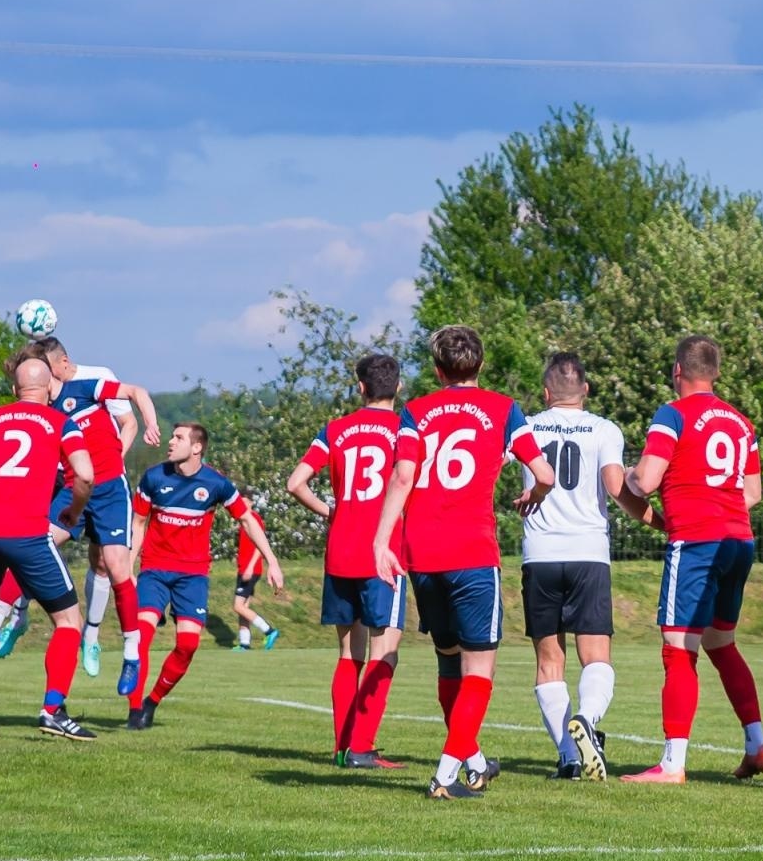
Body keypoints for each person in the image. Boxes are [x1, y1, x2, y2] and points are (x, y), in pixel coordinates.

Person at [374, 326, 556, 799]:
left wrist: (381, 539)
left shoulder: (415, 411)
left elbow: (403, 475)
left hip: (422, 551)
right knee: (479, 670)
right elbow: (545, 473)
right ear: (481, 364)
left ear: (438, 369)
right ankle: (445, 776)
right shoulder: (503, 409)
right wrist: (533, 493)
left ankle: (473, 761)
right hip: (472, 552)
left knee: (449, 661)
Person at [621, 335, 763, 784]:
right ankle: (756, 744)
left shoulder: (673, 413)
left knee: (678, 647)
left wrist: (628, 473)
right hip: (739, 542)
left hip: (696, 542)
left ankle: (672, 763)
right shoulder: (741, 422)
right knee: (721, 644)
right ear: (717, 373)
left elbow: (646, 481)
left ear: (677, 371)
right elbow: (753, 493)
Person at [518, 353, 661, 781]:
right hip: (588, 553)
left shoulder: (525, 425)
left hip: (539, 554)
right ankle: (588, 720)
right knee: (595, 655)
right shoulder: (603, 429)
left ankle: (568, 756)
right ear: (586, 390)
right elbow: (618, 489)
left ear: (546, 393)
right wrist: (660, 521)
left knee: (549, 661)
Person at [0, 357, 98, 741]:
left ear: (14, 390)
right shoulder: (62, 422)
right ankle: (52, 710)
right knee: (68, 622)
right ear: (48, 390)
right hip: (27, 535)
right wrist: (73, 512)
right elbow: (87, 475)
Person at [0, 338, 155, 684]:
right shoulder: (42, 414)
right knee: (33, 545)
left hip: (109, 491)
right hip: (73, 491)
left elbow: (136, 392)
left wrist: (150, 423)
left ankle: (130, 652)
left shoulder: (83, 388)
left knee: (116, 567)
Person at [286, 352, 406, 769]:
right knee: (384, 650)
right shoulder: (404, 428)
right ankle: (362, 748)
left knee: (347, 653)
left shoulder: (336, 429)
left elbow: (295, 482)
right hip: (383, 552)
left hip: (341, 549)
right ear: (399, 387)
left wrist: (329, 511)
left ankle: (342, 747)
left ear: (360, 388)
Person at [123, 423, 283, 729]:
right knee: (141, 634)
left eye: (179, 438)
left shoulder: (215, 484)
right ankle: (134, 712)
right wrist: (129, 566)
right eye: (172, 436)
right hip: (154, 570)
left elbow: (247, 520)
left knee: (188, 646)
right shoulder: (154, 477)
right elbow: (139, 523)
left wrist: (271, 560)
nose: (171, 442)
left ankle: (151, 702)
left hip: (193, 575)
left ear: (197, 448)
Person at [231, 489, 280, 653]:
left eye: (245, 501)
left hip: (251, 569)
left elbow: (260, 546)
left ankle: (269, 630)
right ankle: (244, 643)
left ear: (251, 502)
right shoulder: (242, 520)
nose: (242, 505)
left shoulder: (254, 519)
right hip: (244, 568)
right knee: (244, 606)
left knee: (238, 606)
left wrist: (250, 567)